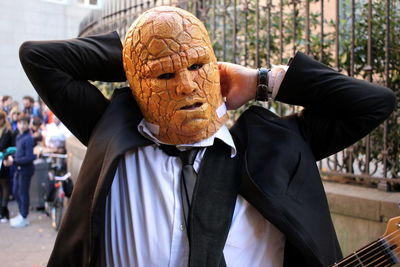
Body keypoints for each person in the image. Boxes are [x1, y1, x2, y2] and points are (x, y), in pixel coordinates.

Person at [19, 6, 395, 267]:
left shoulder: (274, 146)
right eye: (164, 76)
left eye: (198, 65)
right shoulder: (112, 130)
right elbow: (40, 58)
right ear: (136, 83)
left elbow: (372, 103)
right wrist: (145, 44)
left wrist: (261, 81)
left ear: (216, 67)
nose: (185, 85)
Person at [9, 113, 36, 228]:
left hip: (26, 170)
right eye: (20, 123)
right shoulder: (19, 136)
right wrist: (12, 157)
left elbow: (29, 157)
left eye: (24, 123)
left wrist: (14, 161)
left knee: (23, 193)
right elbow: (19, 153)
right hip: (18, 169)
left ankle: (24, 217)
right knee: (16, 191)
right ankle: (21, 214)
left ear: (28, 124)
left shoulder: (28, 138)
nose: (22, 125)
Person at [0, 110, 13, 222]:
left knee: (5, 186)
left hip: (4, 161)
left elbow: (4, 146)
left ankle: (4, 210)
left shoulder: (7, 131)